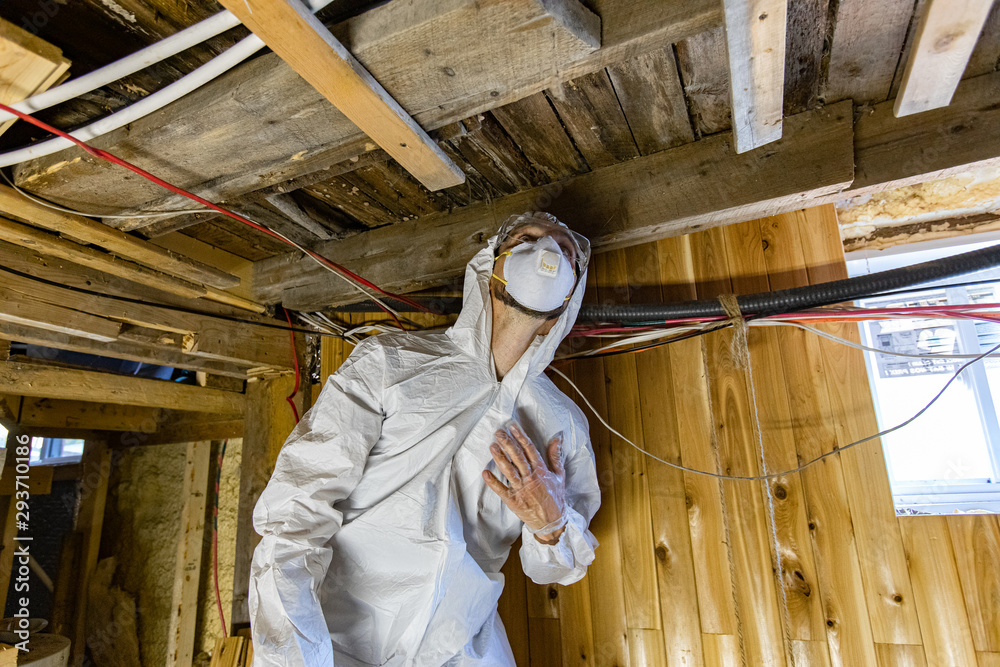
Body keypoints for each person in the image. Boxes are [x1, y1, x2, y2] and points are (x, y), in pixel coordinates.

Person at [248, 212, 601, 666]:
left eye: (566, 251)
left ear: (567, 300)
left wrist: (552, 524)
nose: (548, 251)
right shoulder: (388, 363)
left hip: (460, 649)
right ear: (492, 270)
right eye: (527, 237)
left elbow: (557, 569)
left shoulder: (563, 425)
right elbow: (296, 511)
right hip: (335, 641)